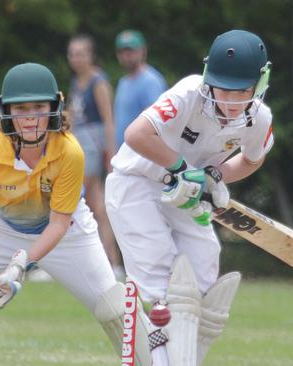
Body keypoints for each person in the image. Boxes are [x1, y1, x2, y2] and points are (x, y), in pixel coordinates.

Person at [0, 63, 156, 365]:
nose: (30, 117)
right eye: (21, 108)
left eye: (39, 107)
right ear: (7, 111)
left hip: (68, 231)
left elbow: (58, 224)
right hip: (1, 227)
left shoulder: (69, 152)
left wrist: (21, 263)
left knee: (115, 307)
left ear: (55, 107)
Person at [106, 29, 274, 366]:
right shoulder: (188, 93)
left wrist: (216, 175)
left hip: (187, 194)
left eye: (241, 92)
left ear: (258, 85)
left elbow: (253, 159)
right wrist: (182, 168)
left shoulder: (260, 118)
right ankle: (157, 357)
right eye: (223, 89)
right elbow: (136, 134)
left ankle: (180, 358)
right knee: (158, 274)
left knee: (201, 273)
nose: (229, 101)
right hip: (137, 182)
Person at [67, 34, 123, 279]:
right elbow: (71, 118)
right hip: (77, 145)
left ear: (90, 55)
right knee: (98, 209)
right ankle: (111, 263)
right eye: (72, 54)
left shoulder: (98, 82)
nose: (75, 59)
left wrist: (111, 155)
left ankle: (63, 259)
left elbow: (109, 121)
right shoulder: (74, 83)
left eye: (80, 53)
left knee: (70, 200)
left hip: (91, 146)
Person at [114, 29, 167, 150]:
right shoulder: (123, 82)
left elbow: (156, 123)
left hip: (141, 153)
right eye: (122, 51)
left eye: (130, 51)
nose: (126, 56)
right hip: (123, 152)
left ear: (143, 51)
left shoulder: (151, 81)